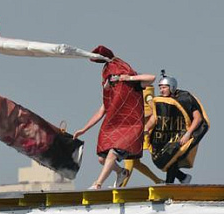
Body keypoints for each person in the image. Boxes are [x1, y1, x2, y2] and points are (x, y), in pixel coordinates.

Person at [73, 46, 155, 189]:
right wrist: (84, 129)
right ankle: (122, 172)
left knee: (112, 154)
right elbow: (102, 110)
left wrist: (129, 77)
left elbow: (152, 78)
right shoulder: (111, 91)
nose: (113, 80)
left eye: (114, 77)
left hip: (131, 126)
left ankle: (97, 184)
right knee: (102, 158)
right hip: (116, 126)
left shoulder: (132, 83)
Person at [145, 74, 208, 184]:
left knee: (173, 155)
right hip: (164, 137)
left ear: (172, 87)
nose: (161, 90)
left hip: (183, 134)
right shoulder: (160, 100)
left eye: (164, 87)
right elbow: (156, 117)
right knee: (162, 160)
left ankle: (169, 184)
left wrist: (188, 134)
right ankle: (183, 177)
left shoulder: (184, 98)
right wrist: (146, 128)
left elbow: (198, 119)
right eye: (160, 87)